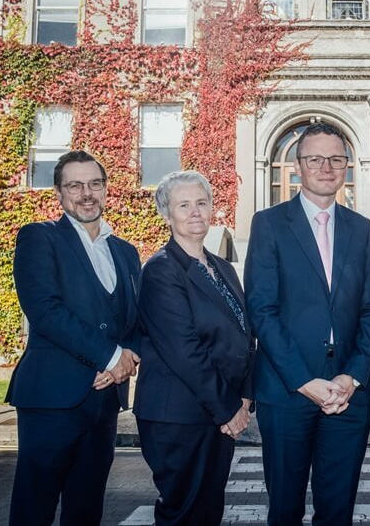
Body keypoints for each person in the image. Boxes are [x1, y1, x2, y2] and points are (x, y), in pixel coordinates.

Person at [244, 122, 370, 526]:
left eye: (336, 159)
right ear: (298, 165)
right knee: (285, 509)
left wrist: (353, 377)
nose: (327, 167)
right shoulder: (268, 224)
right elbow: (261, 310)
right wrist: (304, 381)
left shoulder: (361, 229)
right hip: (287, 393)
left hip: (347, 394)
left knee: (337, 511)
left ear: (347, 166)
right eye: (315, 159)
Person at [6, 150, 142, 525]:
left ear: (105, 189)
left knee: (86, 508)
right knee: (35, 510)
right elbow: (46, 312)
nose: (86, 193)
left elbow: (136, 320)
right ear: (59, 192)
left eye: (94, 184)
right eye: (75, 185)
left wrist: (126, 358)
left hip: (103, 402)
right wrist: (110, 357)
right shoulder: (38, 238)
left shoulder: (126, 252)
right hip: (51, 399)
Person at [134, 170, 255, 526]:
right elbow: (185, 351)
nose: (195, 212)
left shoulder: (222, 268)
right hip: (178, 415)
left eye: (201, 203)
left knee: (207, 511)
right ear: (167, 215)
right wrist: (228, 409)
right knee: (183, 513)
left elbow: (245, 336)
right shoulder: (160, 271)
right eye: (183, 205)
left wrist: (245, 396)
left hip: (218, 412)